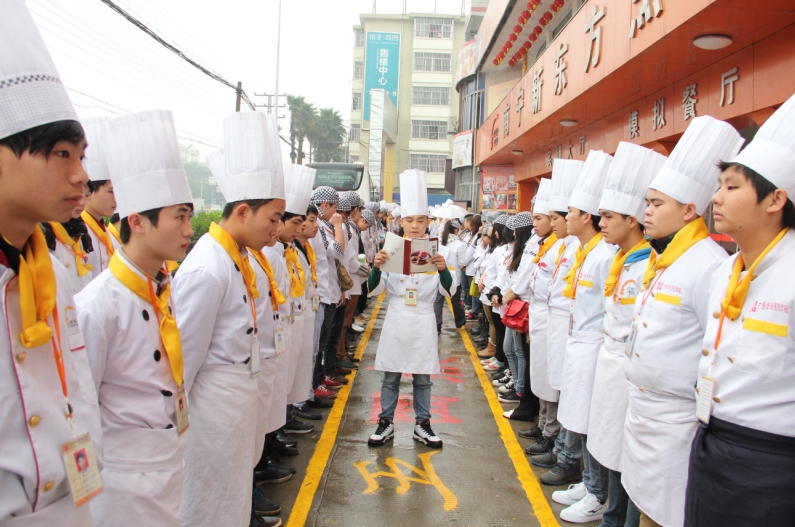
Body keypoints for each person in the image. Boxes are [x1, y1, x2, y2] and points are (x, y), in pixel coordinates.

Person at [0, 1, 103, 523]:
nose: (81, 174)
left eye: (82, 156)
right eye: (62, 153)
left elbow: (78, 390)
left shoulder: (51, 274)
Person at [621, 116, 743, 527]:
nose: (646, 211)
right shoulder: (663, 257)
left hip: (678, 420)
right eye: (647, 202)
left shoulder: (708, 264)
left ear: (690, 209)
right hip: (643, 408)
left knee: (668, 514)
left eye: (657, 204)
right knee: (642, 503)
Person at [75, 109, 195, 527]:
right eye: (180, 216)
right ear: (137, 221)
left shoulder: (163, 287)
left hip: (170, 462)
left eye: (190, 216)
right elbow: (79, 410)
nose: (189, 229)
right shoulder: (97, 306)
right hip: (121, 483)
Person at [685, 93, 795, 527]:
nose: (716, 198)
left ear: (775, 200)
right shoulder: (725, 271)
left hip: (771, 464)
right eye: (719, 187)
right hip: (711, 443)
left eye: (732, 188)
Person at [173, 111, 286, 527]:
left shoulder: (238, 258)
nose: (277, 229)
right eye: (272, 218)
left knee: (231, 501)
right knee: (209, 504)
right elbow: (182, 364)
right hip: (211, 415)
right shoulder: (207, 268)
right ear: (241, 212)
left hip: (236, 406)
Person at [586, 142, 666, 527]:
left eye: (607, 216)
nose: (600, 223)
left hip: (634, 374)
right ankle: (605, 506)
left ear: (632, 221)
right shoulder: (619, 259)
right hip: (611, 362)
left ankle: (613, 515)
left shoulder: (651, 263)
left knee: (625, 455)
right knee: (608, 442)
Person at [367, 169, 458, 448]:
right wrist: (376, 267)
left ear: (428, 221)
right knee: (390, 376)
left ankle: (423, 424)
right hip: (396, 317)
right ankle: (385, 422)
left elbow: (449, 291)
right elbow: (375, 289)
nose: (415, 225)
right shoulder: (391, 248)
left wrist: (443, 270)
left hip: (423, 318)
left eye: (420, 220)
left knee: (422, 378)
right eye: (409, 220)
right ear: (401, 221)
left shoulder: (441, 251)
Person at [532, 160, 582, 478]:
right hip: (554, 321)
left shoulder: (583, 249)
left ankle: (566, 455)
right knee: (554, 385)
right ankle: (559, 446)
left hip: (573, 330)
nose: (550, 223)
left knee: (569, 395)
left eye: (554, 217)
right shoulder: (564, 246)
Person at [519, 180, 564, 446]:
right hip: (539, 320)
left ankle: (551, 432)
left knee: (551, 379)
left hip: (553, 323)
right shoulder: (545, 244)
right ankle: (543, 424)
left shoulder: (563, 247)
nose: (534, 224)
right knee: (540, 374)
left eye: (541, 218)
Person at [308, 187, 346, 403]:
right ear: (324, 205)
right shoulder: (320, 228)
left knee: (321, 343)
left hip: (328, 291)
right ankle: (314, 385)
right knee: (317, 345)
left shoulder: (322, 226)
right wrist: (338, 226)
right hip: (321, 293)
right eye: (334, 208)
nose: (336, 213)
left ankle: (319, 379)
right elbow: (339, 251)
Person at [80, 118, 117, 279]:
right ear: (89, 191)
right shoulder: (79, 233)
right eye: (111, 191)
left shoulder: (106, 234)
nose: (116, 199)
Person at [42, 183, 95, 295]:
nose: (83, 202)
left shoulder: (82, 233)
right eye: (77, 195)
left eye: (86, 195)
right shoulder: (44, 232)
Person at [434, 218, 467, 332]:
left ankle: (437, 325)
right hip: (454, 276)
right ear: (456, 230)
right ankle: (459, 322)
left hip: (439, 275)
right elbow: (462, 262)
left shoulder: (439, 242)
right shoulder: (459, 244)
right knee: (455, 300)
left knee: (438, 301)